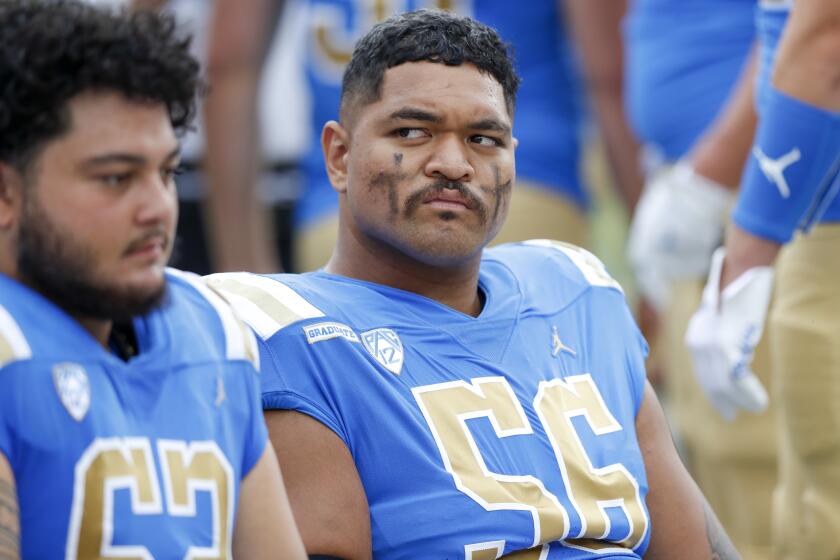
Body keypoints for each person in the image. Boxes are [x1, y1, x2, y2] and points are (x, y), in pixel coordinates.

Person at [207, 10, 738, 559]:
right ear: (339, 156)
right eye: (412, 132)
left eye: (484, 138)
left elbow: (693, 546)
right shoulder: (287, 331)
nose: (454, 163)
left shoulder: (575, 289)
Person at [0, 2, 306, 558]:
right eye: (116, 178)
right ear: (5, 194)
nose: (157, 208)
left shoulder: (213, 330)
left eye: (167, 172)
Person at [615, 1, 777, 557]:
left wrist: (710, 178)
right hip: (700, 203)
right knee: (718, 467)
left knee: (778, 479)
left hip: (766, 200)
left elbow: (814, 27)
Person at [686, 0, 840, 558]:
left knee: (822, 517)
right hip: (814, 214)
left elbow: (829, 40)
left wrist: (747, 250)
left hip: (825, 225)